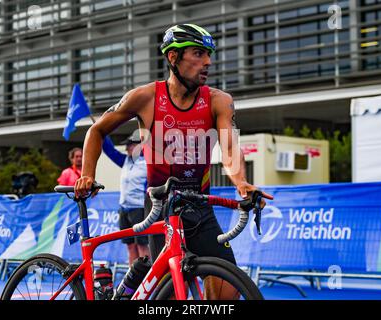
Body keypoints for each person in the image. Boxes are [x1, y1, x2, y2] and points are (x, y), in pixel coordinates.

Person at [75, 24, 271, 298]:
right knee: (165, 296)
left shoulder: (218, 101)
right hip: (160, 208)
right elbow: (96, 130)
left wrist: (242, 184)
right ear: (173, 58)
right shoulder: (145, 97)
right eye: (198, 53)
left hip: (199, 207)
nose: (208, 62)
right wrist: (87, 174)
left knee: (227, 294)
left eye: (209, 54)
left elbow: (229, 148)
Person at [102, 131, 151, 265]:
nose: (127, 148)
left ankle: (146, 277)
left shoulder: (148, 162)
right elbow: (110, 151)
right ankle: (133, 278)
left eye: (130, 145)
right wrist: (102, 134)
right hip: (124, 209)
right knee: (130, 246)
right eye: (127, 145)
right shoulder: (125, 161)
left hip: (139, 209)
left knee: (142, 245)